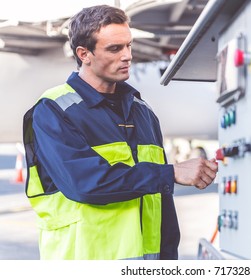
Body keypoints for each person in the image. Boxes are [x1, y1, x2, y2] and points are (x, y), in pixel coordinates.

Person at [22, 4, 218, 260]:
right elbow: (86, 184)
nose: (127, 56)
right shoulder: (54, 110)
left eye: (128, 46)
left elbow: (160, 203)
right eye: (114, 48)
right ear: (84, 54)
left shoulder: (142, 112)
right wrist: (172, 172)